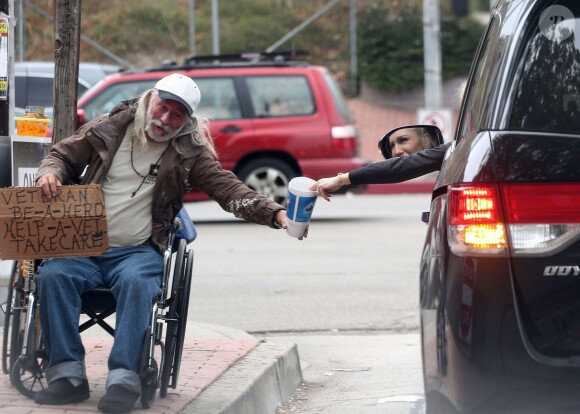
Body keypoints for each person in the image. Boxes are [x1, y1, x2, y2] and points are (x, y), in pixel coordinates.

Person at [33, 73, 290, 413]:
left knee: (138, 283)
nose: (165, 120)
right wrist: (49, 172)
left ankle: (124, 379)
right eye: (162, 108)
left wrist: (275, 214)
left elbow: (229, 191)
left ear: (187, 121)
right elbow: (62, 155)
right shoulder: (108, 128)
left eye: (176, 116)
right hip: (83, 244)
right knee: (53, 275)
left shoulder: (190, 152)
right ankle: (67, 377)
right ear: (149, 99)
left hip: (137, 250)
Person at [312, 128, 452, 201]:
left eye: (403, 140)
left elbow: (399, 168)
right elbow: (398, 168)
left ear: (426, 141)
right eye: (391, 146)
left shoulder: (458, 148)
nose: (396, 151)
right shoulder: (461, 147)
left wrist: (340, 179)